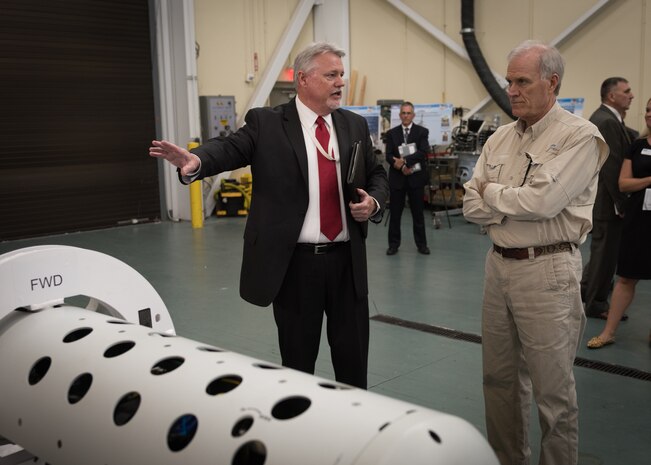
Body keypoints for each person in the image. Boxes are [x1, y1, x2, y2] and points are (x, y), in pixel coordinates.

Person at [149, 42, 389, 389]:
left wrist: (374, 203)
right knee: (297, 364)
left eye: (342, 75)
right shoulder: (268, 122)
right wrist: (196, 161)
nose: (341, 82)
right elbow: (231, 148)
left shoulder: (352, 125)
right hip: (295, 266)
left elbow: (377, 174)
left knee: (353, 364)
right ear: (303, 79)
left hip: (347, 264)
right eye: (331, 75)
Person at [462, 40, 608, 465]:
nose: (511, 90)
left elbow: (542, 203)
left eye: (522, 81)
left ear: (552, 82)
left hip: (548, 270)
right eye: (509, 81)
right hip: (499, 268)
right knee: (499, 381)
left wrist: (492, 193)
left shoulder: (580, 137)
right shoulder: (502, 137)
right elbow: (469, 203)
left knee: (553, 395)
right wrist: (504, 198)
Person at [587, 97, 651, 349]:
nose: (648, 115)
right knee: (626, 277)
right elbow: (624, 183)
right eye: (647, 110)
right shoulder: (635, 147)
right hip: (637, 219)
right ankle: (608, 332)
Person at [581, 77, 635, 319]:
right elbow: (611, 166)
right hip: (606, 202)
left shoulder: (609, 119)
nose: (631, 95)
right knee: (606, 255)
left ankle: (585, 291)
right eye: (627, 91)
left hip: (603, 200)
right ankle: (597, 304)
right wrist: (622, 201)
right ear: (612, 96)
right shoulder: (607, 121)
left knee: (600, 253)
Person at [385, 101, 430, 255]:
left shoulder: (422, 132)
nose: (405, 116)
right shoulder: (392, 133)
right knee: (395, 215)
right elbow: (388, 155)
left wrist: (405, 162)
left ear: (413, 115)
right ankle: (393, 245)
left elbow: (423, 152)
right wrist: (401, 167)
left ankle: (422, 245)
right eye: (403, 113)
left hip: (416, 179)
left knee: (418, 214)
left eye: (408, 113)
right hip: (397, 180)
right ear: (400, 115)